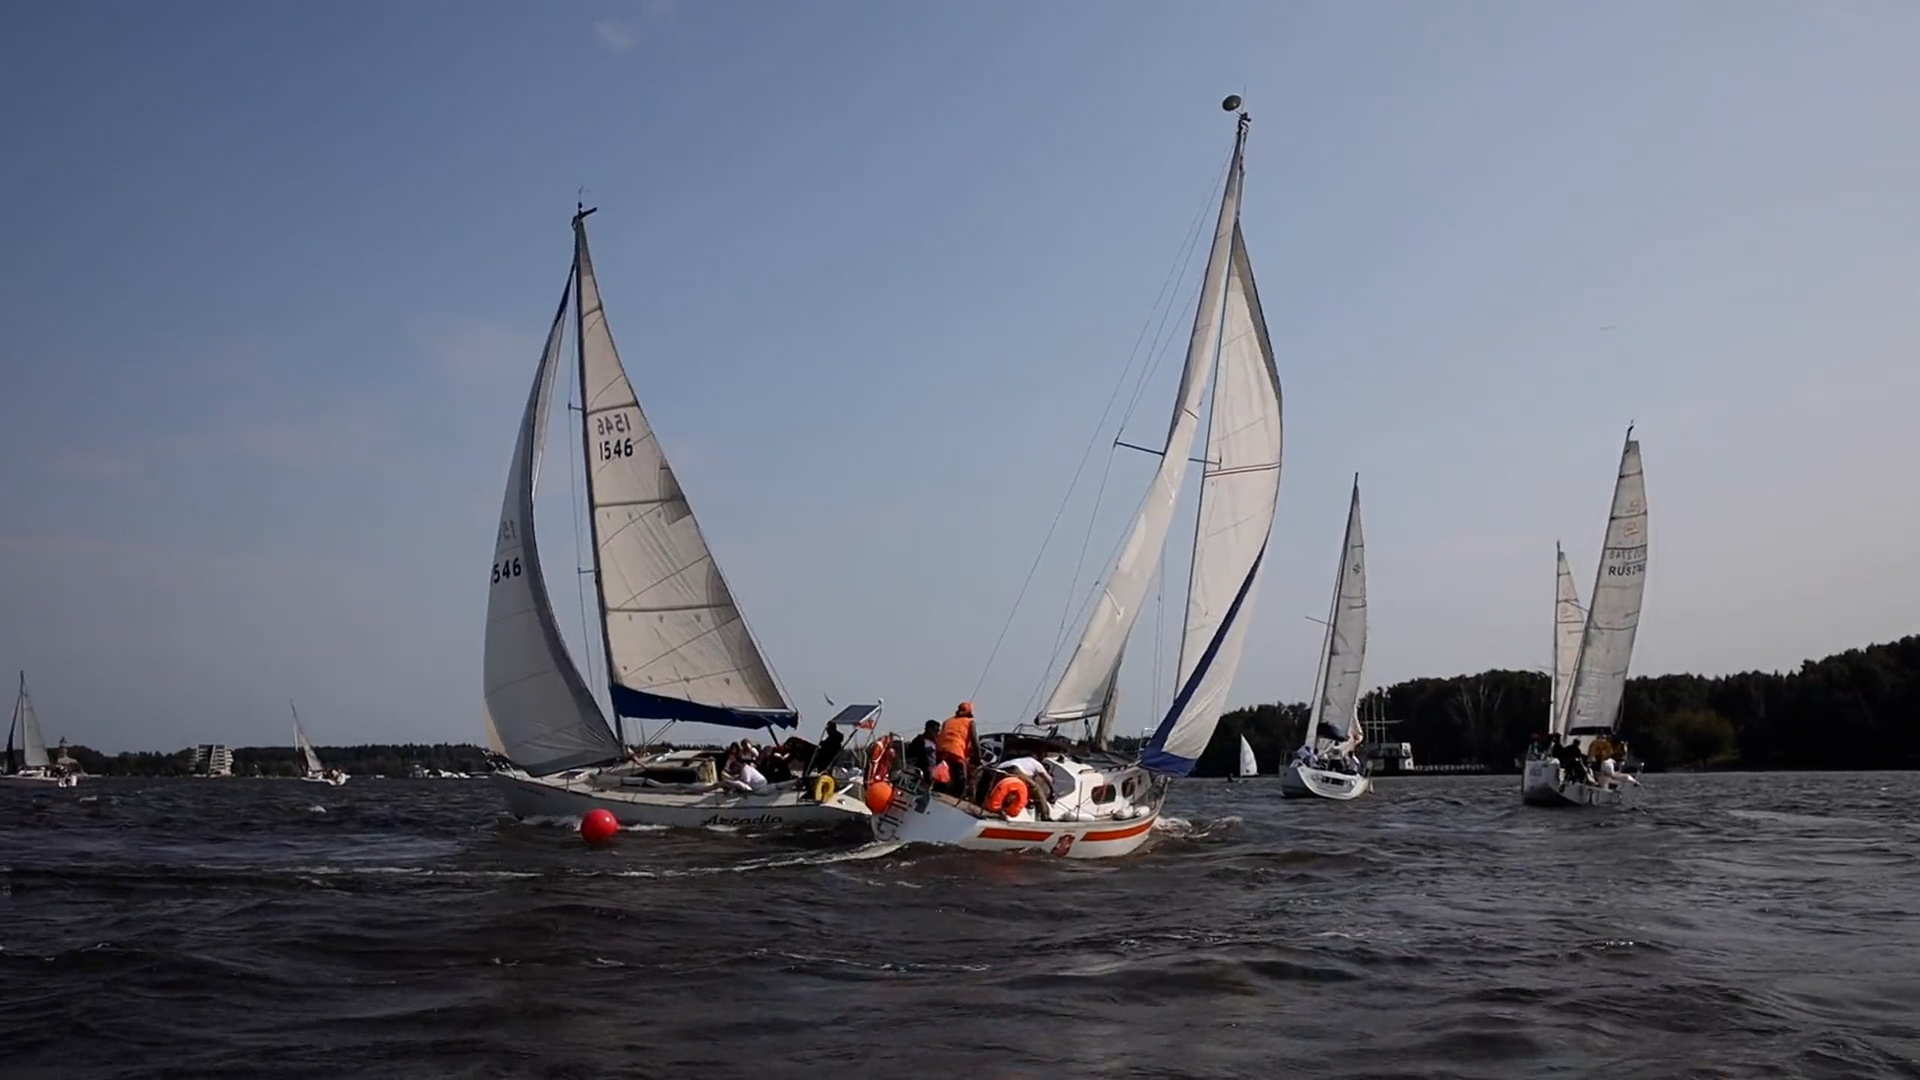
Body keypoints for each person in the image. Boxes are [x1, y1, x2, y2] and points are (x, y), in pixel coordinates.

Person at [935, 702, 977, 798]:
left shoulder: (948, 721)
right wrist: (978, 758)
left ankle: (938, 792)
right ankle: (956, 798)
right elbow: (975, 741)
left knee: (941, 775)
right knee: (961, 778)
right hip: (956, 752)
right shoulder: (970, 722)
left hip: (940, 751)